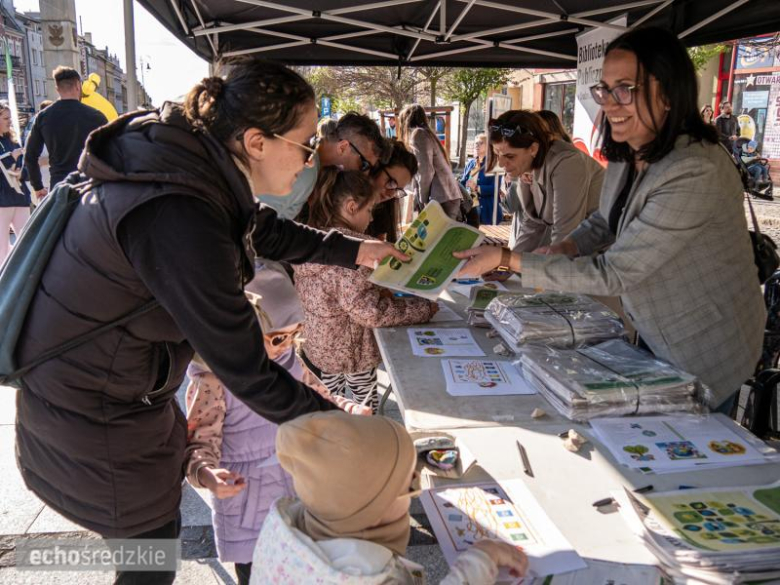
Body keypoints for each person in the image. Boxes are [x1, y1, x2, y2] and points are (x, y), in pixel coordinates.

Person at [14, 58, 405, 585]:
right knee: (151, 560)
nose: (312, 160)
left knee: (152, 548)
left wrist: (359, 252)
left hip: (113, 395)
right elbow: (246, 369)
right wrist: (346, 430)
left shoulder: (192, 168)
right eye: (306, 143)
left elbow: (261, 231)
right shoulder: (178, 210)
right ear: (256, 141)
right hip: (90, 410)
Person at [454, 27, 765, 414]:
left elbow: (616, 272)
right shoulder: (628, 152)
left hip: (703, 339)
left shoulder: (695, 169)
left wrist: (508, 259)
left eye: (625, 89)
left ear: (667, 93)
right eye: (605, 90)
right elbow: (607, 217)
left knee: (690, 445)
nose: (610, 104)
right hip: (649, 323)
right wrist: (571, 244)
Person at [185, 261, 369, 585]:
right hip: (246, 499)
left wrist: (347, 409)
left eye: (294, 335)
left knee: (301, 565)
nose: (286, 346)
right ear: (244, 328)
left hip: (295, 488)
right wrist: (206, 474)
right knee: (256, 575)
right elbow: (199, 440)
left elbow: (318, 395)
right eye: (277, 338)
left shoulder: (289, 361)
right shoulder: (213, 380)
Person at [250, 410, 529, 584]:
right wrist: (482, 559)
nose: (416, 489)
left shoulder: (288, 528)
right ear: (373, 511)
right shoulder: (367, 577)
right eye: (409, 484)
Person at [296, 167, 437, 413]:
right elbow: (371, 312)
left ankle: (338, 443)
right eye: (369, 210)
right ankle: (363, 443)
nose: (371, 219)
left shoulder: (314, 240)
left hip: (320, 349)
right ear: (352, 207)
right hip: (354, 353)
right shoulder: (352, 253)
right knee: (364, 411)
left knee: (333, 408)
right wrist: (423, 308)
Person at [491, 109, 604, 253]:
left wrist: (516, 266)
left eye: (510, 156)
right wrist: (508, 266)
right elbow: (533, 224)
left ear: (533, 149)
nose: (501, 163)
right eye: (497, 154)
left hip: (609, 257)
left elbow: (565, 235)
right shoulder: (528, 167)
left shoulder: (567, 163)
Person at [257, 111, 389, 221]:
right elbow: (258, 223)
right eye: (364, 164)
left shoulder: (311, 164)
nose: (364, 173)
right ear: (343, 147)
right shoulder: (305, 171)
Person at [24, 66, 108, 197]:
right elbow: (110, 152)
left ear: (57, 89)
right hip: (90, 185)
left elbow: (30, 155)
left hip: (59, 185)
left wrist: (37, 186)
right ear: (78, 86)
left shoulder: (43, 117)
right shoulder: (96, 116)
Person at [398, 104, 462, 220]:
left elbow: (425, 170)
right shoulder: (427, 133)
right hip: (446, 196)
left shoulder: (418, 134)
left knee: (437, 236)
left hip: (440, 197)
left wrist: (423, 199)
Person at [367, 140, 418, 242]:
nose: (391, 194)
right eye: (391, 182)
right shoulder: (340, 204)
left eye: (397, 189)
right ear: (375, 167)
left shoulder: (382, 212)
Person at [0, 102, 30, 262]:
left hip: (20, 198)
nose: (9, 121)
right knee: (2, 249)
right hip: (2, 202)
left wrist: (19, 171)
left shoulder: (13, 141)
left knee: (27, 245)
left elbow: (24, 172)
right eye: (6, 118)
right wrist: (12, 158)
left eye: (10, 118)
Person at [460, 133, 502, 225]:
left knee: (472, 214)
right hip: (468, 201)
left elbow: (495, 189)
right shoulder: (471, 163)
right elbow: (462, 183)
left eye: (480, 143)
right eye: (476, 143)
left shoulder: (494, 165)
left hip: (484, 204)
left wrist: (476, 187)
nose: (477, 146)